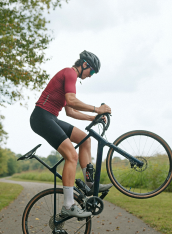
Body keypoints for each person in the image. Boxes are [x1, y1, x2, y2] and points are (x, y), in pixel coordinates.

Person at [30, 50, 113, 223]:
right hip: (42, 117)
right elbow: (73, 101)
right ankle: (68, 206)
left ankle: (89, 185)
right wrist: (97, 109)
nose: (91, 76)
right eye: (92, 71)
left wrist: (93, 118)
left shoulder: (71, 77)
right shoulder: (69, 72)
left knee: (85, 139)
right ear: (84, 65)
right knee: (71, 156)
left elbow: (70, 110)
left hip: (50, 117)